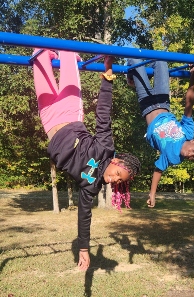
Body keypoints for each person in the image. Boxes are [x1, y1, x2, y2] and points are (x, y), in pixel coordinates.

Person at [32, 49, 141, 271]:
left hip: (49, 121)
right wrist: (108, 72)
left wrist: (83, 249)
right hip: (72, 114)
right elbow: (103, 114)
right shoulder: (105, 147)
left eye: (119, 183)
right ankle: (66, 56)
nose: (113, 180)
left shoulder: (91, 186)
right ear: (116, 161)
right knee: (69, 56)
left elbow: (84, 216)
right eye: (117, 175)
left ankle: (47, 55)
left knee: (39, 59)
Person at [127, 59, 194, 208]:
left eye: (193, 158)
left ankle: (131, 76)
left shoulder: (173, 157)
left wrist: (152, 194)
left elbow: (158, 170)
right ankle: (136, 77)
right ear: (193, 141)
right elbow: (189, 102)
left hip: (147, 106)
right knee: (161, 62)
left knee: (136, 61)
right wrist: (193, 74)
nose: (190, 155)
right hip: (163, 100)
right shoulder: (188, 132)